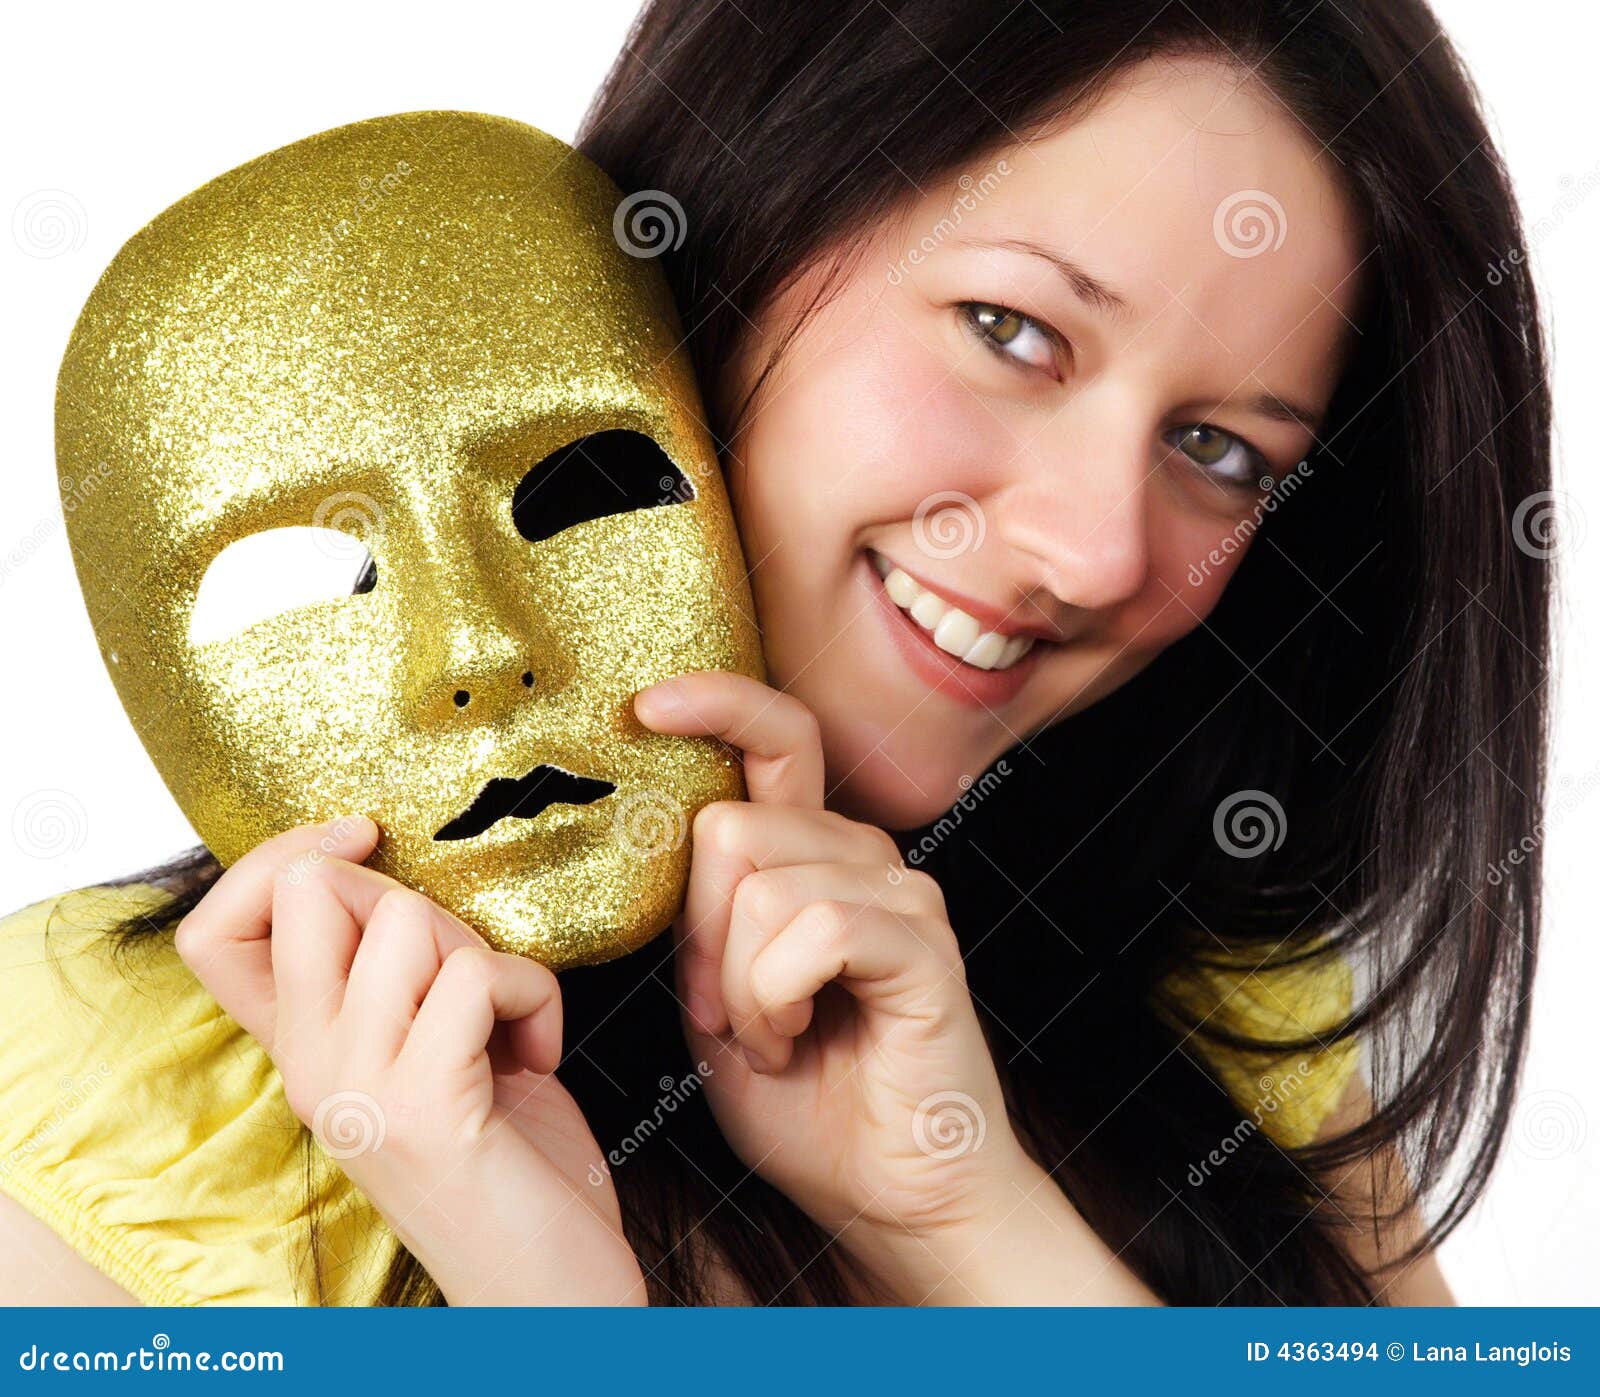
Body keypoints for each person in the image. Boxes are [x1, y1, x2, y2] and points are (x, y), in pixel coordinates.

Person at [0, 0, 1549, 1306]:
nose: (1094, 551)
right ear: (725, 246)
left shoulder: (1225, 1017)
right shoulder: (106, 1130)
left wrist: (968, 1222)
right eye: (1013, 331)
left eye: (1217, 447)